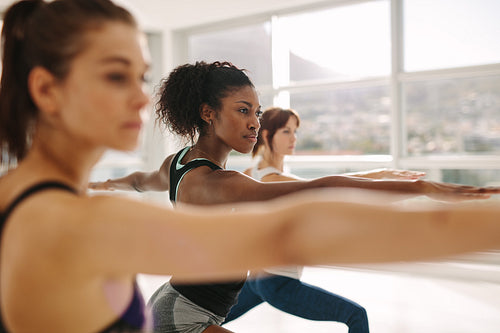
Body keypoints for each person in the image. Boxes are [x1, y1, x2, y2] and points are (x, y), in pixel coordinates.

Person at [89, 60, 500, 333]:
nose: (255, 123)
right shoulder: (218, 185)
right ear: (207, 113)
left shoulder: (179, 163)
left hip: (182, 301)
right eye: (243, 111)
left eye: (257, 111)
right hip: (185, 314)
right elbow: (319, 188)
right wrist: (421, 188)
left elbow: (144, 179)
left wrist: (98, 186)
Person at [223, 106, 373, 332]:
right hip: (277, 282)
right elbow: (333, 185)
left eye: (295, 131)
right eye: (286, 131)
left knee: (207, 321)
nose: (294, 138)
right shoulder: (277, 180)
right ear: (266, 135)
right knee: (355, 316)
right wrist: (381, 177)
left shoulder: (249, 174)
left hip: (256, 278)